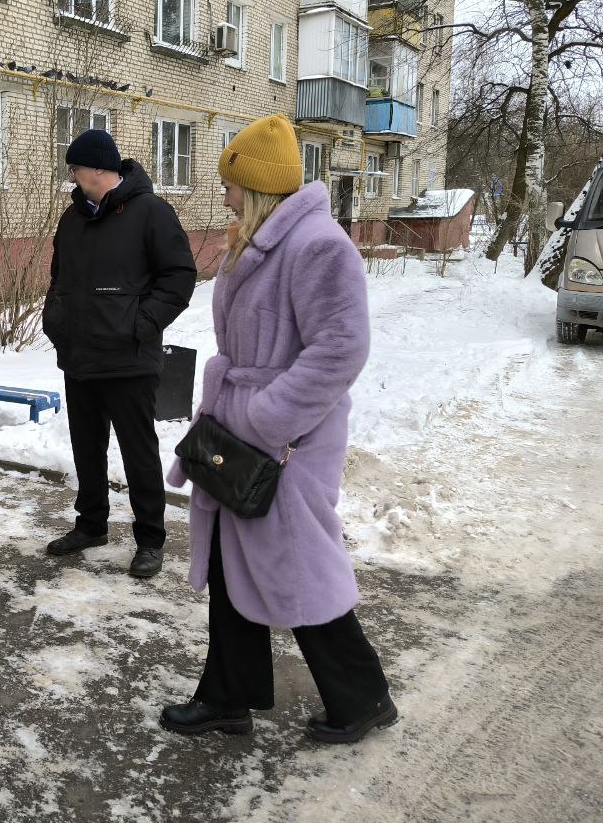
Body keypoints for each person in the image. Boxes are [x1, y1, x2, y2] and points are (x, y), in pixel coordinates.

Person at [160, 114, 397, 744]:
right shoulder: (260, 240)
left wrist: (268, 419)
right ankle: (227, 697)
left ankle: (363, 697)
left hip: (286, 441)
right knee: (230, 561)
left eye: (233, 185)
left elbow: (341, 348)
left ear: (261, 186)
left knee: (297, 568)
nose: (225, 195)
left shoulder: (317, 246)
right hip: (240, 433)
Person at [42, 129, 197, 578]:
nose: (72, 175)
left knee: (138, 452)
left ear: (95, 169)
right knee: (86, 448)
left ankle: (150, 539)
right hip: (81, 356)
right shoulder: (72, 218)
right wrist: (56, 319)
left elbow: (179, 277)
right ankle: (91, 525)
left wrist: (141, 325)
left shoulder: (150, 212)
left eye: (75, 167)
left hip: (129, 359)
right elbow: (59, 279)